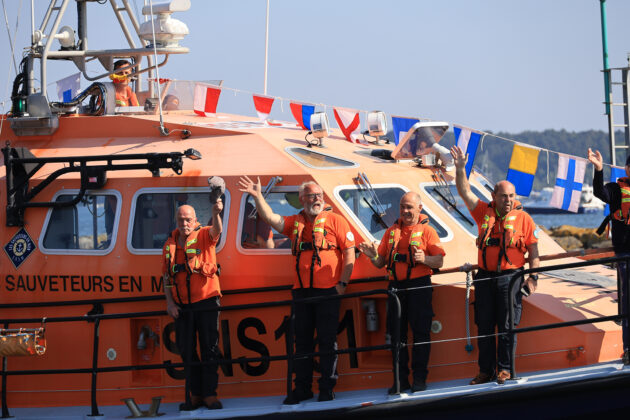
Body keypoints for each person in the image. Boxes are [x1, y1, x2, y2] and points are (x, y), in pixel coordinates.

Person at [238, 176, 355, 403]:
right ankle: (302, 388)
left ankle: (327, 388)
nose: (317, 199)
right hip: (302, 292)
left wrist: (342, 284)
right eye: (312, 196)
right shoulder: (296, 222)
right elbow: (271, 218)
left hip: (328, 291)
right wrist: (258, 196)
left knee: (327, 341)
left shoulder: (336, 221)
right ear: (302, 199)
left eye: (319, 195)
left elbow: (349, 252)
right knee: (301, 342)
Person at [450, 145, 540, 385]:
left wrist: (533, 278)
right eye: (504, 196)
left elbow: (533, 251)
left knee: (508, 326)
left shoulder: (524, 219)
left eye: (511, 196)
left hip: (511, 279)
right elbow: (464, 191)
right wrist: (460, 168)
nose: (508, 200)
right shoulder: (483, 212)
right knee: (485, 327)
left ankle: (505, 370)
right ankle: (485, 371)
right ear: (494, 197)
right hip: (484, 278)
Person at [358, 192, 445, 394]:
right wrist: (372, 256)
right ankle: (400, 380)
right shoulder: (391, 232)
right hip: (396, 288)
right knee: (397, 336)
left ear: (419, 209)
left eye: (409, 207)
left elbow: (439, 261)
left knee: (421, 334)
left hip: (419, 287)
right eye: (402, 207)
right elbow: (380, 262)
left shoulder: (428, 231)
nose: (405, 211)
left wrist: (424, 259)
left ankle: (420, 380)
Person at [162, 201, 223, 410]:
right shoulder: (169, 245)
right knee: (186, 351)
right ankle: (195, 395)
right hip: (182, 307)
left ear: (195, 220)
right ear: (176, 221)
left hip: (206, 301)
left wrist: (216, 213)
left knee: (210, 348)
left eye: (188, 220)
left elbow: (217, 230)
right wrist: (170, 303)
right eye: (181, 220)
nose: (184, 223)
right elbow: (166, 277)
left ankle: (210, 395)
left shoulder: (205, 235)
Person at [587, 149, 630, 364]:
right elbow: (599, 192)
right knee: (628, 300)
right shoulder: (615, 189)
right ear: (627, 169)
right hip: (625, 252)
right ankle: (628, 349)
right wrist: (598, 169)